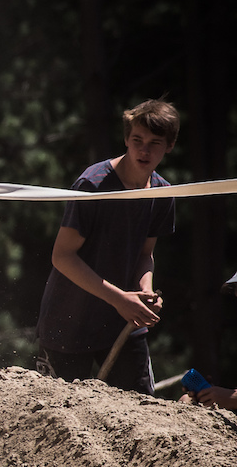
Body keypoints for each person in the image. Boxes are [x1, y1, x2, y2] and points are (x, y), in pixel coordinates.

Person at [35, 100, 179, 393]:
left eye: (155, 143)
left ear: (170, 146)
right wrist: (120, 299)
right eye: (137, 140)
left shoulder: (164, 192)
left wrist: (145, 291)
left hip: (123, 327)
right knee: (59, 420)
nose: (144, 150)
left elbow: (145, 255)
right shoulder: (93, 185)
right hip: (68, 323)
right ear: (126, 138)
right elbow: (62, 257)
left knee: (144, 416)